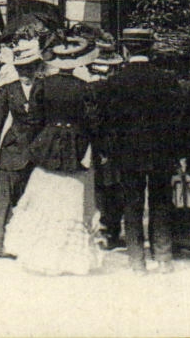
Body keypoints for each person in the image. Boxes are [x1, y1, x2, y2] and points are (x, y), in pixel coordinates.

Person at [4, 34, 100, 274]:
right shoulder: (84, 88)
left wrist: (36, 143)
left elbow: (35, 119)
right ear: (76, 62)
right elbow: (92, 122)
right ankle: (68, 256)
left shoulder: (44, 85)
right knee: (71, 198)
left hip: (47, 145)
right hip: (74, 147)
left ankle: (39, 250)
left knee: (44, 195)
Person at [98, 27, 188, 273]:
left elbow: (106, 121)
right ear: (150, 48)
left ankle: (137, 261)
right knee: (161, 203)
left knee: (132, 205)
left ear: (126, 49)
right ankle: (163, 257)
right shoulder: (166, 80)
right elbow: (177, 120)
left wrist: (109, 151)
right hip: (160, 153)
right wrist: (177, 153)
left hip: (127, 155)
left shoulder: (115, 81)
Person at [0, 38, 44, 257]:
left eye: (29, 68)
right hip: (12, 148)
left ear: (36, 68)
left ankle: (27, 245)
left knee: (31, 199)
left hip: (36, 150)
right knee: (3, 197)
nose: (25, 73)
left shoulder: (44, 88)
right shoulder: (7, 90)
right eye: (21, 69)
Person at [85, 45, 126, 250]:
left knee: (99, 188)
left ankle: (101, 230)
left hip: (94, 146)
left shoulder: (88, 90)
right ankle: (112, 230)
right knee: (113, 189)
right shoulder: (115, 90)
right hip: (113, 146)